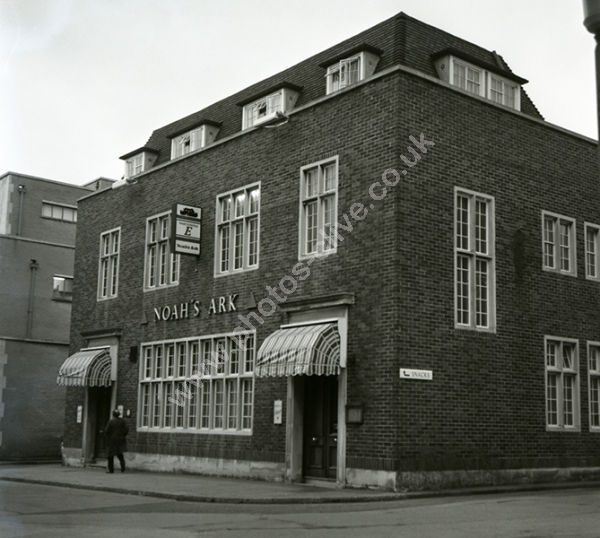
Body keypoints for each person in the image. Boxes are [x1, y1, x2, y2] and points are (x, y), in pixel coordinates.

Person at [104, 409, 128, 473]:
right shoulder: (123, 421)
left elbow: (106, 431)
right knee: (120, 454)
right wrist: (123, 435)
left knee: (110, 456)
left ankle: (111, 470)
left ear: (113, 414)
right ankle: (123, 468)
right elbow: (126, 430)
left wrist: (108, 437)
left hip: (112, 441)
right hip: (120, 440)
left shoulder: (111, 421)